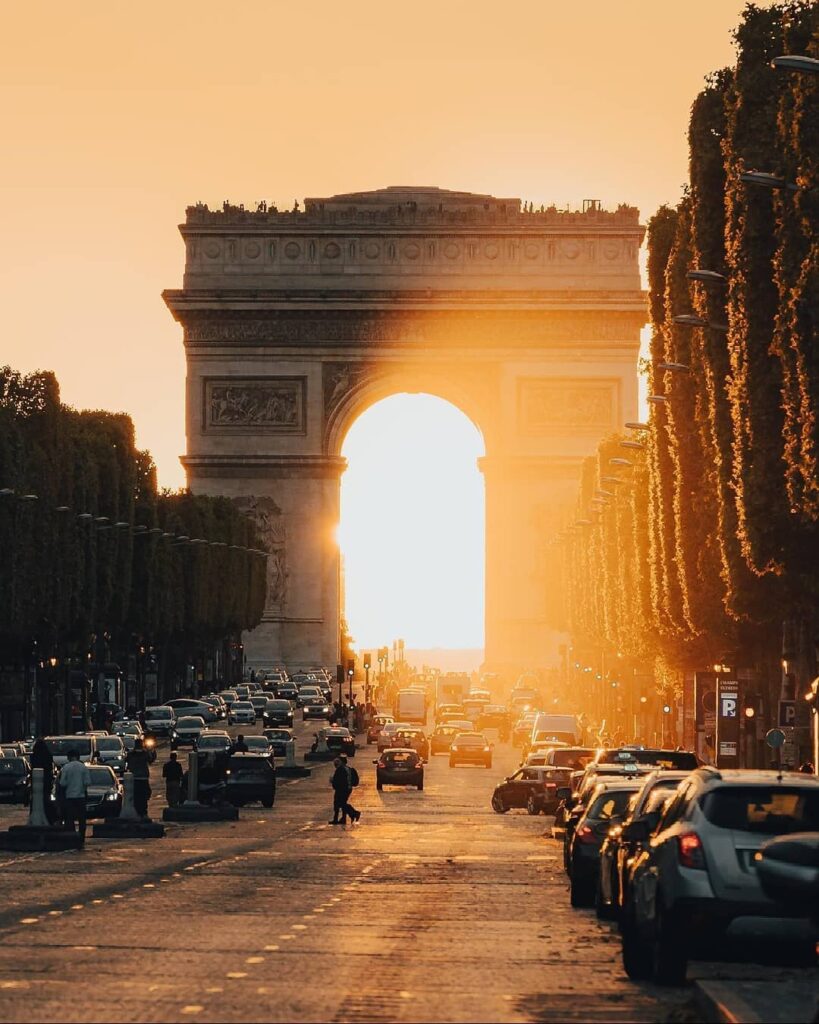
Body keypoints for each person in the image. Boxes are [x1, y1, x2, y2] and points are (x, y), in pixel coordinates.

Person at [58, 749, 89, 843]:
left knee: (69, 817)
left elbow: (62, 783)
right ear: (78, 757)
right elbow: (88, 782)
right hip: (81, 796)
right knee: (82, 818)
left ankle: (72, 836)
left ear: (68, 757)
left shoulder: (66, 768)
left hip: (69, 796)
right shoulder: (83, 767)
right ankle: (82, 837)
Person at [329, 756, 360, 824]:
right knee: (343, 803)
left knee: (338, 804)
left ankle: (354, 813)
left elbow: (338, 780)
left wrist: (332, 781)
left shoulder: (340, 769)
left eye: (337, 761)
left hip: (341, 789)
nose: (335, 763)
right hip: (348, 789)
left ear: (341, 762)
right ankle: (343, 818)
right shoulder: (349, 769)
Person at [30, 737, 55, 822]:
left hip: (36, 780)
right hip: (46, 780)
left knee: (36, 800)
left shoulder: (34, 756)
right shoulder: (48, 755)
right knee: (46, 799)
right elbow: (50, 767)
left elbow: (32, 767)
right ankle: (49, 817)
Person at [126, 738, 152, 818]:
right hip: (142, 778)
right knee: (144, 796)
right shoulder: (145, 753)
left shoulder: (131, 754)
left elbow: (127, 761)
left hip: (135, 778)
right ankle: (143, 813)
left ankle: (139, 812)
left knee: (137, 797)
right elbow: (151, 759)